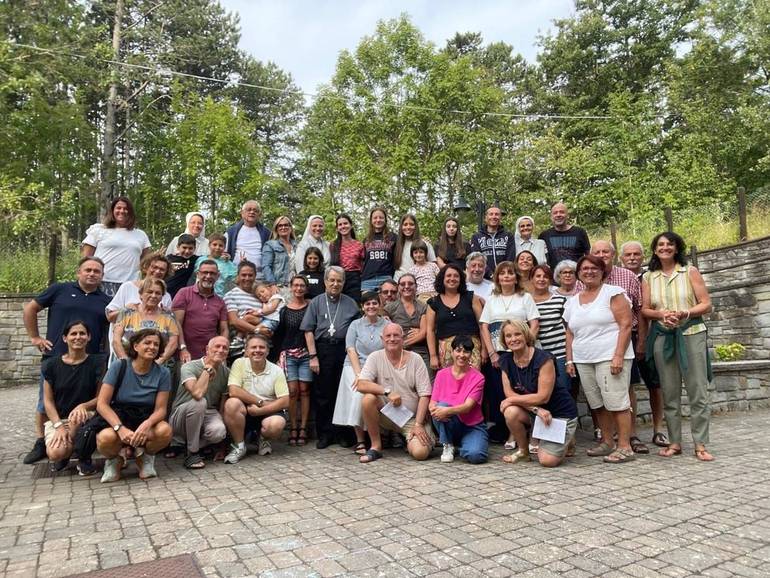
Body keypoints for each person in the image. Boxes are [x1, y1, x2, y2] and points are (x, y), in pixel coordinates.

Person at [22, 256, 110, 465]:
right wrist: (35, 337)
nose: (91, 274)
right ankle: (41, 441)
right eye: (87, 270)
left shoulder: (105, 301)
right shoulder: (59, 290)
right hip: (56, 355)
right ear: (78, 272)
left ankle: (78, 441)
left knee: (86, 401)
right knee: (44, 403)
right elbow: (30, 308)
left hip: (90, 360)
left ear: (102, 276)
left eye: (96, 271)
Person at [641, 232, 714, 461]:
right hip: (663, 336)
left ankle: (700, 444)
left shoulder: (689, 271)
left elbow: (706, 304)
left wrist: (685, 313)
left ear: (676, 248)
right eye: (660, 245)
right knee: (669, 391)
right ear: (654, 250)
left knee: (697, 391)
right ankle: (675, 442)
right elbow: (645, 310)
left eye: (669, 244)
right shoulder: (648, 277)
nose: (665, 248)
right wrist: (662, 314)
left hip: (691, 333)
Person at [564, 255, 635, 464]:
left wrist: (618, 356)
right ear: (578, 274)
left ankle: (624, 446)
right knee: (597, 403)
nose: (589, 272)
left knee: (617, 401)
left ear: (602, 271)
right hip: (584, 358)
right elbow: (569, 332)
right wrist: (570, 360)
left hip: (609, 356)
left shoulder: (613, 293)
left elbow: (626, 325)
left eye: (594, 268)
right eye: (584, 268)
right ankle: (607, 442)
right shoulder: (573, 300)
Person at [591, 240, 648, 454]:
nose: (602, 254)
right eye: (597, 252)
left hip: (625, 340)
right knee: (599, 390)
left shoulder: (628, 277)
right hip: (595, 342)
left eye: (606, 251)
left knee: (626, 388)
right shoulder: (585, 277)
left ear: (614, 255)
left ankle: (630, 436)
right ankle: (607, 438)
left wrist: (641, 341)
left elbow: (641, 311)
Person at [96, 328, 173, 482]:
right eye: (147, 343)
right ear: (135, 346)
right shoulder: (119, 366)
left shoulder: (163, 373)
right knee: (105, 438)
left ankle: (145, 457)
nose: (152, 347)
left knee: (165, 431)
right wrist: (120, 428)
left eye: (156, 344)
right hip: (119, 417)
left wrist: (148, 423)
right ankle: (114, 460)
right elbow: (102, 404)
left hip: (145, 416)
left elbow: (161, 409)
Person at [499, 320, 578, 467]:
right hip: (539, 413)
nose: (513, 339)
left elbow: (543, 396)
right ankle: (523, 452)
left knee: (547, 461)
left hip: (559, 413)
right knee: (510, 411)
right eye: (508, 336)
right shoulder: (505, 361)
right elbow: (509, 394)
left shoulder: (544, 359)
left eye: (517, 334)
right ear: (504, 340)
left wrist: (513, 401)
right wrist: (536, 409)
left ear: (526, 335)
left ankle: (568, 437)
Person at [478, 260, 540, 444]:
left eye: (510, 273)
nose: (506, 276)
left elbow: (535, 323)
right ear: (497, 278)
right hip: (498, 354)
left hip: (520, 352)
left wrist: (527, 345)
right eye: (502, 273)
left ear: (516, 277)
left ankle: (520, 431)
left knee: (520, 391)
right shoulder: (492, 299)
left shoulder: (525, 297)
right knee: (499, 393)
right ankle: (504, 431)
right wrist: (491, 353)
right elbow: (484, 327)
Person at [356, 323, 435, 463]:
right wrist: (387, 391)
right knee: (368, 399)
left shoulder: (416, 359)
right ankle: (376, 447)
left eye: (396, 335)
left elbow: (425, 395)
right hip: (387, 413)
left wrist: (418, 424)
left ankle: (412, 440)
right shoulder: (375, 357)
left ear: (402, 338)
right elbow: (361, 384)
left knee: (420, 453)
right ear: (382, 339)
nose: (392, 339)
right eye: (388, 336)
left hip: (411, 419)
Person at [301, 266, 361, 448]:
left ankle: (343, 434)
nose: (335, 284)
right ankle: (325, 434)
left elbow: (357, 329)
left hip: (344, 351)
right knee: (323, 394)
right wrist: (313, 356)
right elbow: (308, 331)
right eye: (332, 280)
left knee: (343, 393)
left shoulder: (351, 303)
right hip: (323, 350)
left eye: (339, 281)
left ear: (344, 283)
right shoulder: (316, 302)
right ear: (325, 281)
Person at [41, 321, 105, 475]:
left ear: (89, 337)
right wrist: (59, 426)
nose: (78, 337)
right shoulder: (51, 365)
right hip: (60, 419)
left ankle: (83, 457)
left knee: (77, 418)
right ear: (65, 338)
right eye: (73, 334)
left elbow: (101, 397)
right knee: (55, 453)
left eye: (82, 333)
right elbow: (48, 401)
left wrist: (83, 406)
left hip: (88, 415)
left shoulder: (98, 363)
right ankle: (67, 453)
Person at [621, 241, 666, 447]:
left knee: (655, 384)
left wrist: (643, 339)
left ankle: (659, 429)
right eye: (628, 254)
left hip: (652, 334)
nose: (632, 258)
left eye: (636, 254)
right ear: (621, 258)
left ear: (643, 256)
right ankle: (632, 433)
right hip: (627, 336)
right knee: (628, 386)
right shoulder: (616, 278)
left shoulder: (652, 277)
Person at [333, 292, 388, 455]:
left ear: (380, 305)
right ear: (362, 307)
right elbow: (350, 349)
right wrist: (359, 375)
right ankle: (360, 440)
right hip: (354, 366)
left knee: (375, 398)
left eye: (374, 303)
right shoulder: (355, 325)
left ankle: (379, 437)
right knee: (359, 396)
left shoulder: (387, 324)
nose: (371, 307)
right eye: (367, 304)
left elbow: (390, 347)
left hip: (377, 367)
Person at [223, 334, 290, 463]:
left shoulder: (276, 370)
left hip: (268, 411)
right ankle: (239, 446)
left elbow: (284, 401)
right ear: (246, 351)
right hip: (246, 408)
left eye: (261, 347)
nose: (257, 350)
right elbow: (233, 390)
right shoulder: (239, 363)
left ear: (268, 351)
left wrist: (260, 410)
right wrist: (259, 402)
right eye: (253, 347)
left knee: (276, 425)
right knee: (231, 403)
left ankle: (263, 439)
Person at [167, 336, 229, 469]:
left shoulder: (226, 373)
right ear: (207, 349)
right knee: (200, 403)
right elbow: (197, 394)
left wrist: (222, 446)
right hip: (182, 413)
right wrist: (207, 370)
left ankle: (193, 444)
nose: (221, 350)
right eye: (217, 346)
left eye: (225, 348)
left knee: (218, 431)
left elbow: (222, 408)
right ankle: (192, 453)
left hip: (208, 413)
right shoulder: (189, 366)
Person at [430, 335, 488, 464]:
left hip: (472, 425)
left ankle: (465, 445)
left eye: (466, 351)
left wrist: (446, 411)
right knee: (441, 406)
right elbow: (432, 403)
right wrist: (437, 410)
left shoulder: (478, 378)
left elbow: (468, 407)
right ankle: (448, 444)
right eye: (458, 350)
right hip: (450, 423)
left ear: (471, 354)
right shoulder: (441, 374)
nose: (462, 355)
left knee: (476, 456)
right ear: (452, 352)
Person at [82, 196, 151, 296]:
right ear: (112, 211)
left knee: (127, 311)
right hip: (101, 282)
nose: (122, 211)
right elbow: (86, 258)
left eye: (125, 208)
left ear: (130, 212)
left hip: (130, 284)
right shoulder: (99, 230)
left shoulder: (140, 235)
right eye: (118, 208)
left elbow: (146, 262)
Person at [273, 275, 312, 446]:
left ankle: (303, 428)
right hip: (288, 354)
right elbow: (279, 335)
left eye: (302, 285)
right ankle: (293, 427)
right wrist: (276, 356)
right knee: (292, 390)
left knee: (304, 390)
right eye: (295, 285)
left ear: (306, 288)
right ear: (290, 287)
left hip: (305, 354)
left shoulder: (311, 307)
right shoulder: (284, 310)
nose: (298, 289)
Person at [427, 264, 485, 370]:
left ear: (461, 279)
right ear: (442, 279)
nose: (452, 279)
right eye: (448, 276)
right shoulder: (434, 302)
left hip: (471, 347)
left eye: (456, 276)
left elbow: (482, 325)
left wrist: (484, 350)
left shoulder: (471, 298)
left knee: (472, 382)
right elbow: (430, 331)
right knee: (450, 383)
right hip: (446, 350)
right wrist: (433, 356)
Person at [112, 277, 179, 367]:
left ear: (162, 297)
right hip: (127, 364)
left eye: (158, 293)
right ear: (140, 294)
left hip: (158, 366)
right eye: (150, 292)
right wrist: (126, 364)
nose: (154, 295)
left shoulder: (168, 315)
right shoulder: (127, 312)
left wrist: (158, 363)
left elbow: (173, 343)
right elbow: (116, 340)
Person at [172, 260, 229, 365]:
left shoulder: (220, 302)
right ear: (198, 274)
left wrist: (222, 351)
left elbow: (224, 329)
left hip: (210, 358)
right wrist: (182, 348)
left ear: (218, 276)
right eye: (205, 272)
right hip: (185, 356)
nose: (208, 276)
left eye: (212, 273)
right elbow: (176, 323)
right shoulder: (184, 293)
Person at [385, 274, 430, 370]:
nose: (406, 286)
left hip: (420, 351)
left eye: (410, 284)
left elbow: (423, 333)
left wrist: (403, 344)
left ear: (416, 286)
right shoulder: (390, 308)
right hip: (397, 353)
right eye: (403, 284)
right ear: (398, 287)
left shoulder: (423, 306)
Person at [223, 261, 260, 362]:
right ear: (238, 276)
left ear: (255, 276)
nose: (247, 278)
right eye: (244, 275)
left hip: (261, 348)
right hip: (239, 350)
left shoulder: (260, 295)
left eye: (250, 275)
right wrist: (258, 329)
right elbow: (234, 321)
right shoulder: (231, 295)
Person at [539, 202, 590, 270]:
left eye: (562, 212)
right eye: (555, 213)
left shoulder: (580, 232)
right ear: (551, 217)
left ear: (567, 215)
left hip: (576, 277)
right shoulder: (544, 236)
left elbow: (588, 256)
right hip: (553, 278)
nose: (558, 215)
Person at [225, 200, 271, 273]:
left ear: (259, 214)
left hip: (259, 274)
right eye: (248, 210)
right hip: (235, 272)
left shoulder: (267, 233)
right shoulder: (231, 232)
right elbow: (224, 253)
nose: (252, 212)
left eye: (255, 210)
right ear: (242, 213)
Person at [469, 206, 514, 279]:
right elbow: (477, 258)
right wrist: (491, 275)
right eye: (491, 214)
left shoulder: (508, 236)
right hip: (484, 278)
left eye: (497, 214)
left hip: (504, 277)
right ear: (486, 218)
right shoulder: (476, 237)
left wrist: (503, 274)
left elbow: (510, 257)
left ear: (500, 218)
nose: (494, 216)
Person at [329, 213, 364, 302]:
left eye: (345, 223)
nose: (343, 226)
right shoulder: (333, 245)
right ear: (337, 228)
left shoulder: (359, 245)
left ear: (351, 225)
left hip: (354, 280)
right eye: (340, 224)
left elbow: (363, 264)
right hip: (338, 278)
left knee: (353, 305)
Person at [361, 207, 397, 292]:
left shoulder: (393, 237)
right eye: (375, 218)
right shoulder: (366, 239)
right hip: (368, 279)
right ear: (371, 220)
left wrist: (422, 239)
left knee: (388, 305)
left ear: (385, 220)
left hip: (386, 278)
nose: (378, 220)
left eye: (381, 217)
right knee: (369, 305)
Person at [393, 214, 436, 280]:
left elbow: (433, 265)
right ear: (401, 227)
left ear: (416, 226)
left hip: (419, 283)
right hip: (399, 282)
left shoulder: (424, 243)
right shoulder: (396, 243)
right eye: (405, 224)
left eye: (411, 224)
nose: (408, 227)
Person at [192, 233, 236, 297]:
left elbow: (237, 279)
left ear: (224, 247)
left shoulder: (228, 264)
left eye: (220, 245)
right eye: (214, 245)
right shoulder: (200, 260)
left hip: (218, 297)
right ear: (209, 245)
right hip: (199, 296)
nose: (217, 247)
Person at [262, 216, 298, 291]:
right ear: (276, 229)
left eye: (286, 225)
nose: (283, 227)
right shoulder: (270, 245)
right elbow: (266, 266)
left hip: (296, 286)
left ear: (290, 227)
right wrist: (272, 284)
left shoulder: (297, 245)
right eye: (280, 225)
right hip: (279, 286)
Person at [165, 234, 199, 298]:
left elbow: (209, 258)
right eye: (184, 247)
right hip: (165, 292)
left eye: (190, 248)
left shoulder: (195, 259)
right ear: (178, 247)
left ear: (195, 248)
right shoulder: (169, 258)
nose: (187, 251)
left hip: (180, 295)